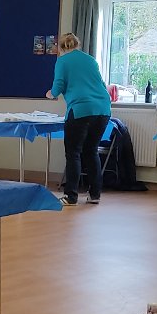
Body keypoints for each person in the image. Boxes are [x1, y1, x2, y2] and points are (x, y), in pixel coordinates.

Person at [45, 33, 112, 206]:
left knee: (73, 153)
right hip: (103, 109)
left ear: (61, 48)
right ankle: (95, 194)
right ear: (77, 44)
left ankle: (71, 196)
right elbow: (101, 85)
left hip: (81, 109)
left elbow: (58, 85)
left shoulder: (62, 61)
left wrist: (51, 94)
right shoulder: (90, 60)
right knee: (91, 151)